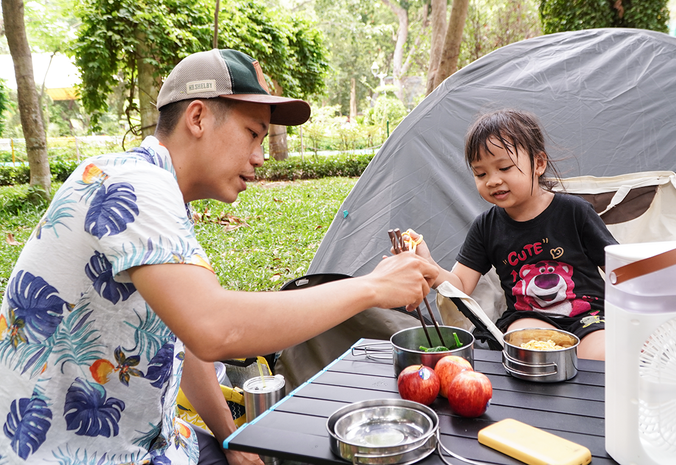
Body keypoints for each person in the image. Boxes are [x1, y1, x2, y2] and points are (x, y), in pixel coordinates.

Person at [0, 49, 438, 464]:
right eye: (252, 133)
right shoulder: (132, 185)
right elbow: (215, 327)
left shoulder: (162, 195)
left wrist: (230, 438)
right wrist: (373, 286)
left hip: (159, 443)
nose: (260, 157)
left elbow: (185, 333)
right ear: (197, 117)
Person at [407, 109, 617, 360]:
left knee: (604, 358)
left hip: (589, 318)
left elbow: (619, 271)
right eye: (480, 174)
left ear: (538, 164)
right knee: (525, 353)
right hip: (530, 319)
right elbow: (461, 286)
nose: (493, 181)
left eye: (504, 167)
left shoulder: (575, 212)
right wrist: (428, 265)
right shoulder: (486, 227)